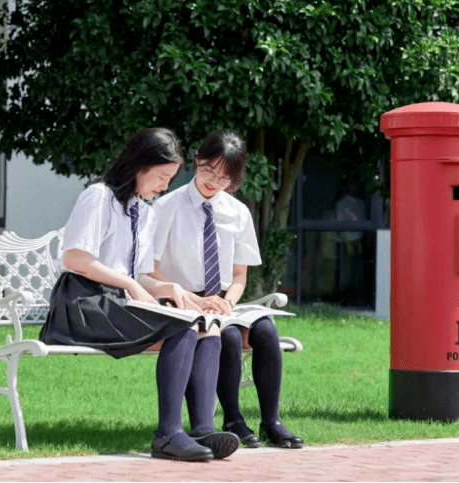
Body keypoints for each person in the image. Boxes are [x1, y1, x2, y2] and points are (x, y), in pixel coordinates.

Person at [38, 128, 238, 462]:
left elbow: (142, 276)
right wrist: (130, 285)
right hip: (81, 302)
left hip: (115, 300)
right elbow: (75, 258)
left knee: (200, 321)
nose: (164, 186)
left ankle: (202, 429)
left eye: (170, 178)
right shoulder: (98, 197)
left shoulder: (143, 211)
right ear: (138, 165)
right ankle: (167, 435)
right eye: (161, 176)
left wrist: (177, 290)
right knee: (180, 326)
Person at [152, 130, 304, 449]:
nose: (213, 181)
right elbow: (150, 269)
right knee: (230, 336)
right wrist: (196, 301)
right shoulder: (168, 206)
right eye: (209, 170)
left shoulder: (237, 213)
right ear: (197, 160)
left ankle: (271, 421)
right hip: (180, 301)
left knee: (266, 329)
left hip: (222, 301)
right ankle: (233, 419)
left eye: (224, 177)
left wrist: (226, 302)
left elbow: (239, 277)